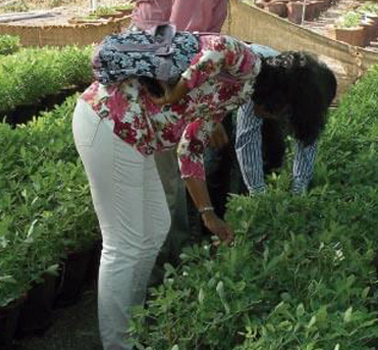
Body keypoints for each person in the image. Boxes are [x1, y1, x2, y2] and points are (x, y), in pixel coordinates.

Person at [72, 32, 331, 350]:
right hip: (108, 123)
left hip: (135, 138)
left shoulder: (237, 92)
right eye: (286, 113)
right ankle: (117, 343)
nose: (279, 120)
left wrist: (209, 216)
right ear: (286, 97)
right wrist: (177, 90)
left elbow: (190, 148)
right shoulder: (248, 63)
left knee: (154, 229)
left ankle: (131, 327)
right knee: (124, 244)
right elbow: (216, 48)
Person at [128, 0, 293, 261]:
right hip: (158, 79)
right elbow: (185, 43)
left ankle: (175, 249)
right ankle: (167, 268)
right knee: (166, 184)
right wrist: (200, 113)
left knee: (173, 174)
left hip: (164, 73)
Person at [204, 44, 337, 216]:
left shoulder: (300, 96)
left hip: (263, 90)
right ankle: (217, 219)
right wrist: (258, 193)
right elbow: (247, 138)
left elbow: (306, 136)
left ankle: (250, 202)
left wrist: (299, 192)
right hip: (216, 86)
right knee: (218, 158)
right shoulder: (255, 81)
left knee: (273, 151)